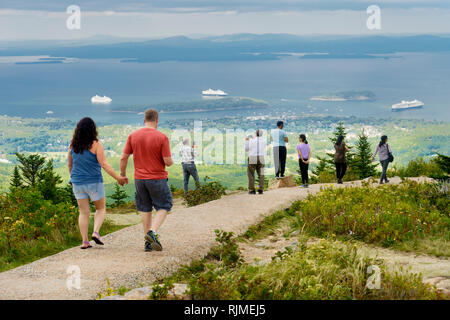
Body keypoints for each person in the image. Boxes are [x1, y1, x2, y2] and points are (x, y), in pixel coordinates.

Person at [68, 117, 127, 249]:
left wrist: (72, 179)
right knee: (100, 209)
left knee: (83, 212)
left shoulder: (73, 145)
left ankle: (84, 241)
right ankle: (95, 232)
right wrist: (118, 177)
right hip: (94, 182)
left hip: (77, 182)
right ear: (93, 130)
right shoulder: (96, 145)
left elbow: (70, 165)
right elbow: (104, 164)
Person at [120, 109, 174, 252]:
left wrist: (123, 174)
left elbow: (123, 157)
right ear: (157, 120)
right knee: (165, 205)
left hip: (139, 179)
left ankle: (147, 243)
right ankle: (152, 232)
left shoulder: (133, 136)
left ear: (144, 120)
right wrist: (171, 160)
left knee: (145, 208)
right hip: (157, 178)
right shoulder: (162, 137)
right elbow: (167, 162)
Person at [245, 129, 266, 195]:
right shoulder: (264, 140)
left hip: (252, 157)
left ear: (256, 134)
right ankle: (261, 189)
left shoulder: (251, 140)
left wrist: (247, 140)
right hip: (261, 157)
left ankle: (252, 190)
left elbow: (246, 149)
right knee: (261, 174)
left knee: (251, 174)